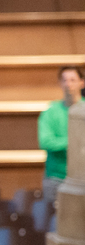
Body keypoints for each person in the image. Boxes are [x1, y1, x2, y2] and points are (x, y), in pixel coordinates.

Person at [39, 65, 85, 204]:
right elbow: (46, 141)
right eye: (65, 80)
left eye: (72, 80)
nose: (68, 84)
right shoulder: (51, 111)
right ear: (60, 83)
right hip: (56, 178)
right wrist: (74, 142)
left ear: (82, 82)